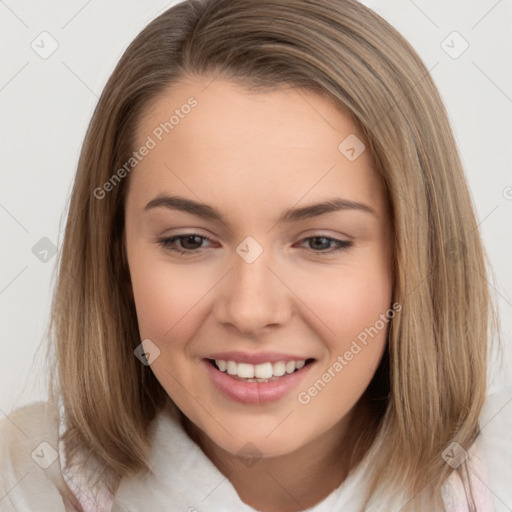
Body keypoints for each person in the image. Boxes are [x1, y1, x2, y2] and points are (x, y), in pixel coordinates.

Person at [1, 0, 509, 510]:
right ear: (118, 255)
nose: (250, 310)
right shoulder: (22, 480)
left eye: (320, 242)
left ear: (413, 258)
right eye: (190, 241)